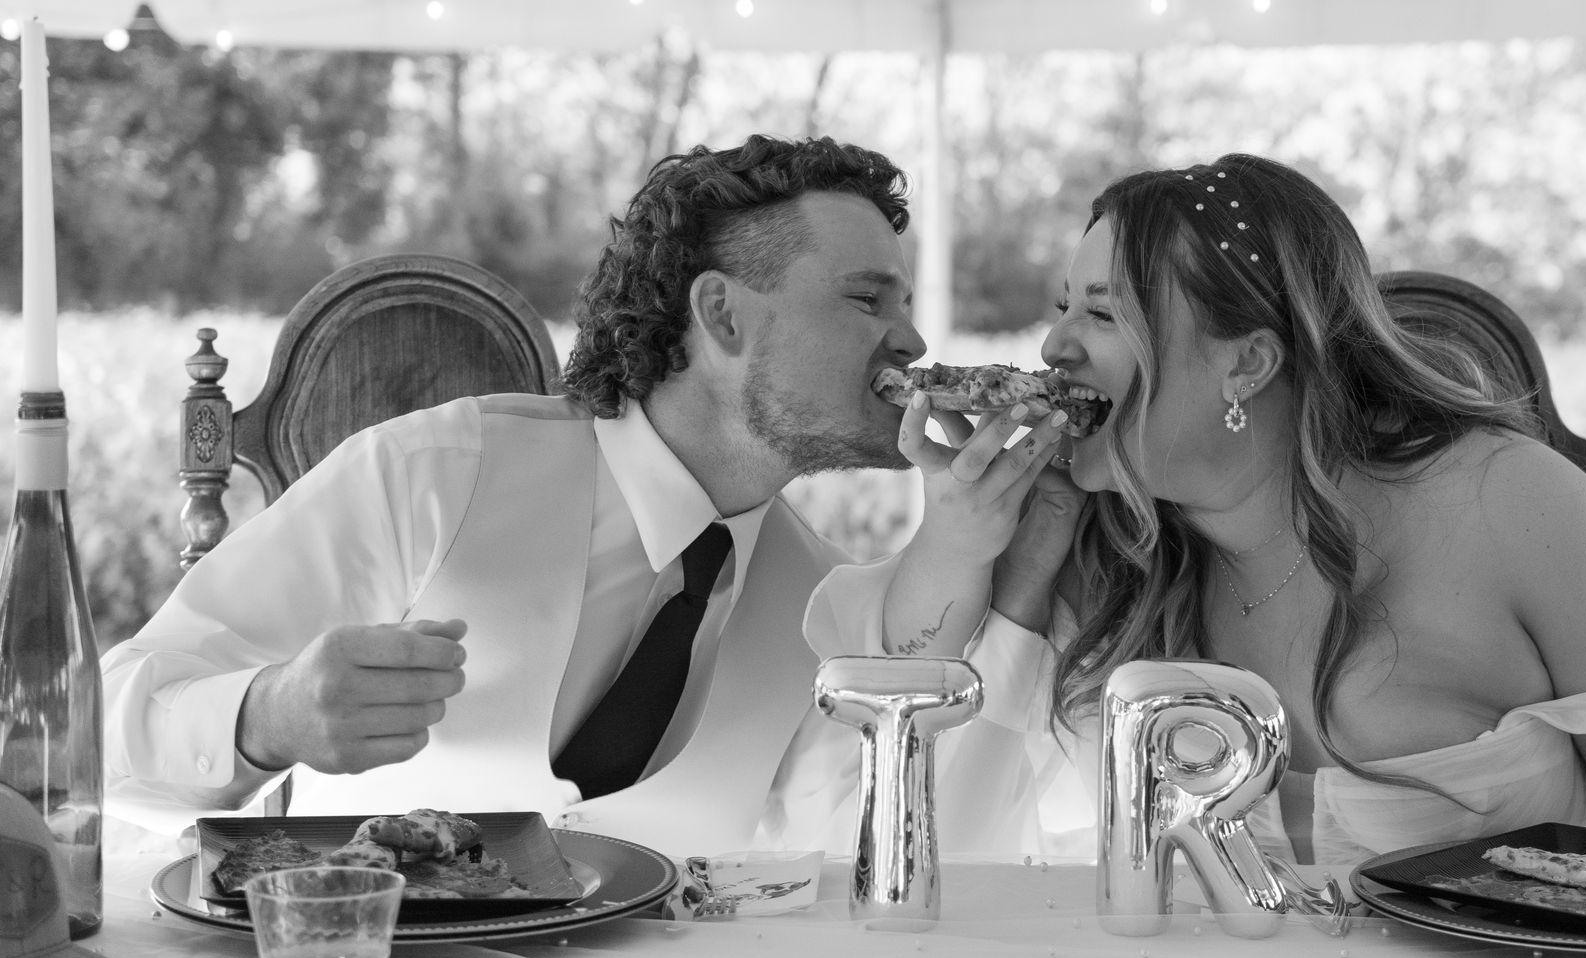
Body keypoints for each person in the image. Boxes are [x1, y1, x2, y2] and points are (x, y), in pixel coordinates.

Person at [800, 153, 1586, 868]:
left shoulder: (1505, 505)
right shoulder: (1098, 544)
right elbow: (920, 847)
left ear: (1248, 362)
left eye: (1105, 313)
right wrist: (991, 557)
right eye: (1061, 308)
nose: (1055, 351)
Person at [101, 135, 1045, 860]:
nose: (914, 343)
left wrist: (967, 555)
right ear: (721, 316)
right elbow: (105, 723)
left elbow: (857, 850)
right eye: (866, 301)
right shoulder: (436, 473)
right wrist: (267, 718)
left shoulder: (819, 599)